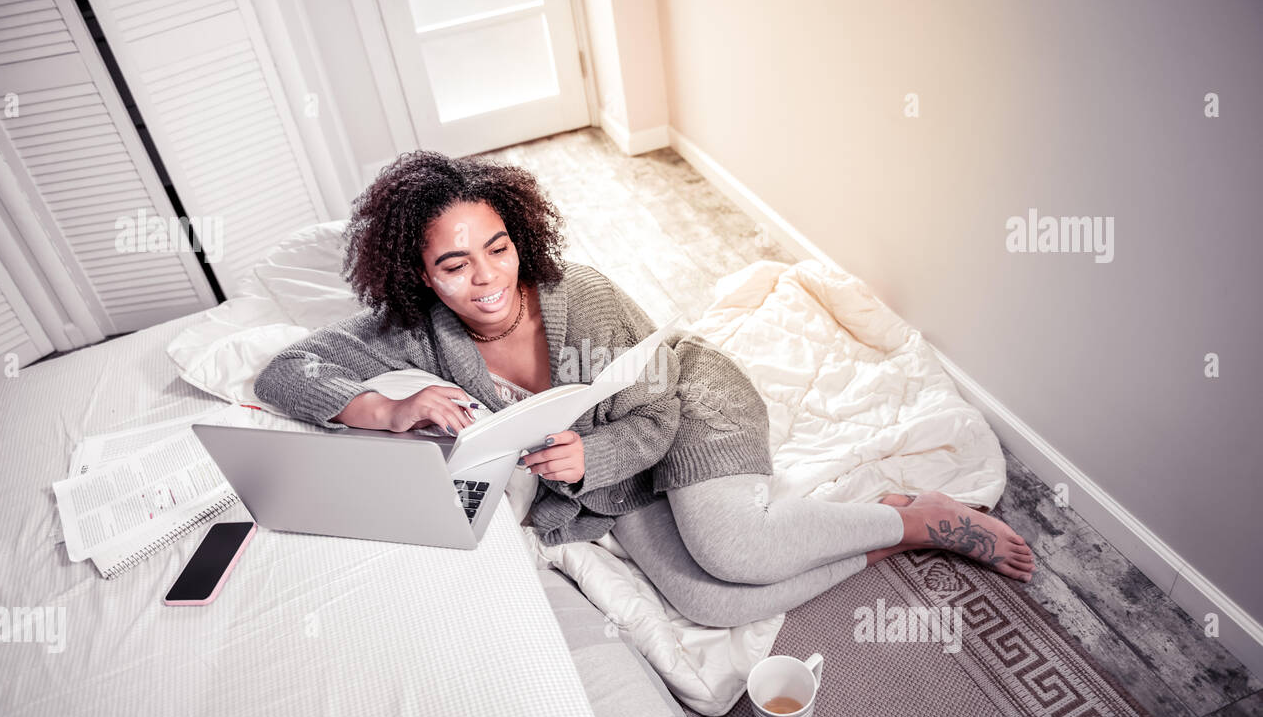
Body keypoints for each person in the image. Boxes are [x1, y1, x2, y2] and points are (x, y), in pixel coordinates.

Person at [254, 151, 1035, 628]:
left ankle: (917, 518)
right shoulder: (414, 329)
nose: (486, 278)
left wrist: (588, 456)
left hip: (684, 408)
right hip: (613, 482)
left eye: (498, 248)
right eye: (454, 265)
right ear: (419, 274)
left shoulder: (581, 296)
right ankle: (882, 528)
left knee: (737, 548)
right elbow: (285, 370)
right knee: (712, 601)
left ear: (518, 238)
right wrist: (386, 408)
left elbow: (657, 408)